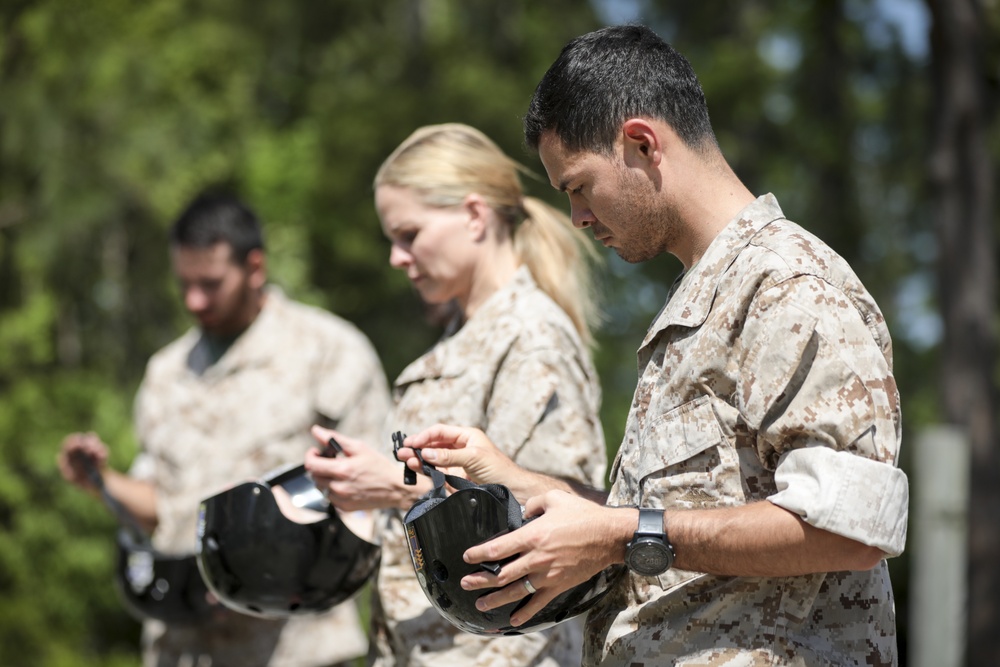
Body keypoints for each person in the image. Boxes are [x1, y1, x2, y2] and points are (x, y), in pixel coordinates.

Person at [398, 25, 909, 667]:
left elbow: (849, 529)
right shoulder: (698, 301)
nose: (578, 217)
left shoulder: (785, 285)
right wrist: (515, 482)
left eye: (579, 186)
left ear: (642, 144)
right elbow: (668, 528)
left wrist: (620, 532)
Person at [302, 123, 607, 667]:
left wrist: (395, 484)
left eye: (409, 234)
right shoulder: (463, 336)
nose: (397, 257)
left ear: (473, 215)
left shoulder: (531, 336)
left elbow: (558, 518)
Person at [58, 192, 392, 667]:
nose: (194, 300)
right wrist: (101, 481)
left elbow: (372, 505)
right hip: (181, 650)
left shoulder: (330, 353)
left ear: (254, 267)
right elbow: (160, 511)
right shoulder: (165, 373)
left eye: (211, 283)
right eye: (184, 284)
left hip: (293, 650)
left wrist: (260, 565)